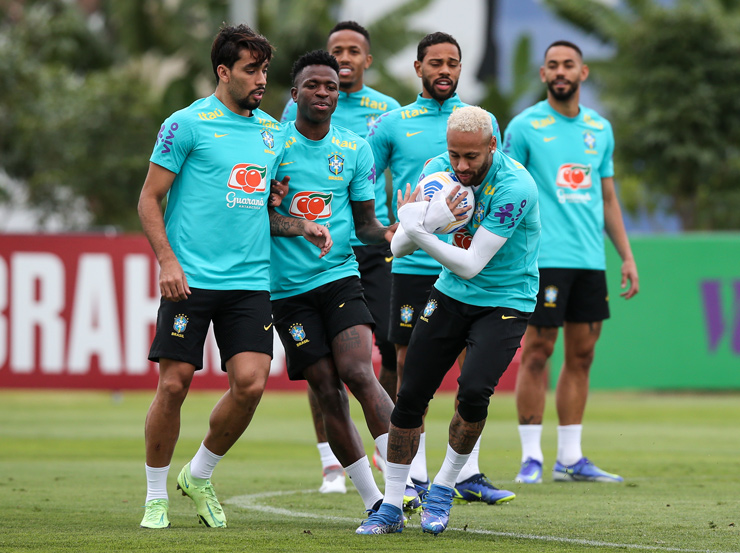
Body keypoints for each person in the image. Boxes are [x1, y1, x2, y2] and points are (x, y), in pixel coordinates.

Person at [138, 25, 331, 530]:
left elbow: (263, 211)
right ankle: (155, 496)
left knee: (250, 384)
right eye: (251, 70)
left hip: (249, 282)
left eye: (265, 69)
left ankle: (199, 474)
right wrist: (167, 262)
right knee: (174, 384)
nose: (261, 79)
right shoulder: (186, 124)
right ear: (223, 72)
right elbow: (149, 199)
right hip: (191, 279)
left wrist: (300, 225)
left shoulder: (272, 134)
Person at [356, 105, 540, 535]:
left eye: (471, 156)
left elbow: (472, 264)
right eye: (454, 154)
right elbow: (398, 248)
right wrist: (418, 222)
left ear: (492, 145)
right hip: (450, 294)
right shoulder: (437, 171)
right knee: (410, 394)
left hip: (506, 299)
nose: (461, 166)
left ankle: (442, 488)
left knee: (473, 391)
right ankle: (391, 506)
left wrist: (421, 228)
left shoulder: (516, 187)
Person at [365, 31, 515, 505]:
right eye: (435, 62)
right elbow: (364, 178)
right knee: (411, 366)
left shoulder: (480, 120)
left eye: (452, 62)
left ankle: (467, 474)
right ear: (419, 68)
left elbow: (497, 185)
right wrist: (389, 226)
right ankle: (415, 477)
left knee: (473, 371)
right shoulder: (392, 123)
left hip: (469, 260)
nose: (444, 70)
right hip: (415, 262)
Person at [503, 40, 639, 485]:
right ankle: (530, 458)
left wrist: (626, 256)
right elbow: (506, 190)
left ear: (583, 72)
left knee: (582, 355)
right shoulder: (525, 126)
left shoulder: (600, 128)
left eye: (569, 64)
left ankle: (570, 458)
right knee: (538, 352)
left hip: (589, 260)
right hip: (543, 259)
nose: (561, 71)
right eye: (553, 65)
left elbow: (608, 198)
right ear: (543, 74)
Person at [270, 49, 396, 516]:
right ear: (294, 93)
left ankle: (404, 485)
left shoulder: (354, 148)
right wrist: (299, 224)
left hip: (340, 276)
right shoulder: (272, 147)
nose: (323, 93)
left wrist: (392, 233)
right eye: (313, 85)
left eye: (332, 87)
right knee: (326, 388)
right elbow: (256, 217)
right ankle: (373, 500)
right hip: (288, 291)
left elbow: (365, 225)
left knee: (359, 372)